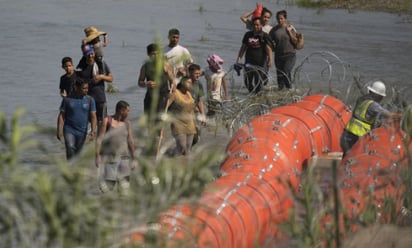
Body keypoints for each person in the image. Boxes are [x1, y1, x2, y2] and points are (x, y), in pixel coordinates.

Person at [340, 81, 401, 156]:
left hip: (346, 134)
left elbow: (365, 117)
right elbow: (390, 115)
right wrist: (405, 115)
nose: (382, 98)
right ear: (378, 95)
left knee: (346, 161)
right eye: (381, 96)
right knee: (355, 162)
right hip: (356, 138)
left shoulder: (361, 100)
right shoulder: (373, 105)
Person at [96, 100, 137, 195]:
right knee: (109, 185)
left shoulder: (127, 123)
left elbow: (130, 141)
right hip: (110, 158)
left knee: (124, 186)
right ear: (121, 111)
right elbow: (100, 139)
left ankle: (122, 205)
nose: (128, 113)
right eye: (127, 111)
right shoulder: (107, 121)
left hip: (124, 158)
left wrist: (134, 158)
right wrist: (97, 156)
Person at [77, 43, 113, 136]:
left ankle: (100, 143)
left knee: (102, 121)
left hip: (100, 98)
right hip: (86, 99)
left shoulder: (100, 64)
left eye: (91, 53)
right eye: (87, 54)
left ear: (94, 53)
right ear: (84, 55)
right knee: (85, 121)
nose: (90, 56)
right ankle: (88, 139)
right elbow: (77, 84)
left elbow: (111, 78)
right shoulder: (81, 67)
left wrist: (101, 77)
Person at [57, 78, 97, 160]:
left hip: (82, 131)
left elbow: (93, 116)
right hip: (69, 129)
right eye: (84, 88)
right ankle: (69, 169)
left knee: (78, 153)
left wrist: (93, 130)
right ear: (76, 88)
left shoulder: (90, 100)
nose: (86, 90)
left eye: (87, 88)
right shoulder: (67, 100)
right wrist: (59, 130)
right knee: (70, 148)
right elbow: (61, 116)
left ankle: (74, 170)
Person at [236, 17, 273, 94]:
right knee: (247, 82)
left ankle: (257, 98)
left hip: (260, 64)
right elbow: (243, 48)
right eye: (254, 25)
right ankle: (252, 96)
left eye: (258, 25)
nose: (256, 27)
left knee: (258, 83)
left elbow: (268, 49)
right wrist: (239, 59)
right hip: (249, 62)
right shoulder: (248, 35)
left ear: (261, 25)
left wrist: (270, 60)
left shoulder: (264, 36)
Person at [269, 10, 298, 90]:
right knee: (280, 76)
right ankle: (280, 93)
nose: (279, 20)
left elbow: (295, 41)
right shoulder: (274, 30)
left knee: (286, 71)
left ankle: (290, 89)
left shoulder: (290, 28)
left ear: (285, 18)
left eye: (281, 18)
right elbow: (268, 42)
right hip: (278, 56)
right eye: (278, 19)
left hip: (290, 55)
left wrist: (289, 32)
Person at [166, 77, 197, 156]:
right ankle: (172, 157)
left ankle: (187, 165)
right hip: (178, 123)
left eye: (191, 83)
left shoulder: (189, 94)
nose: (190, 84)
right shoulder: (175, 93)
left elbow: (192, 110)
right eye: (188, 82)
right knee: (181, 147)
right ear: (182, 83)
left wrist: (195, 123)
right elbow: (166, 107)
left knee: (188, 149)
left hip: (190, 123)